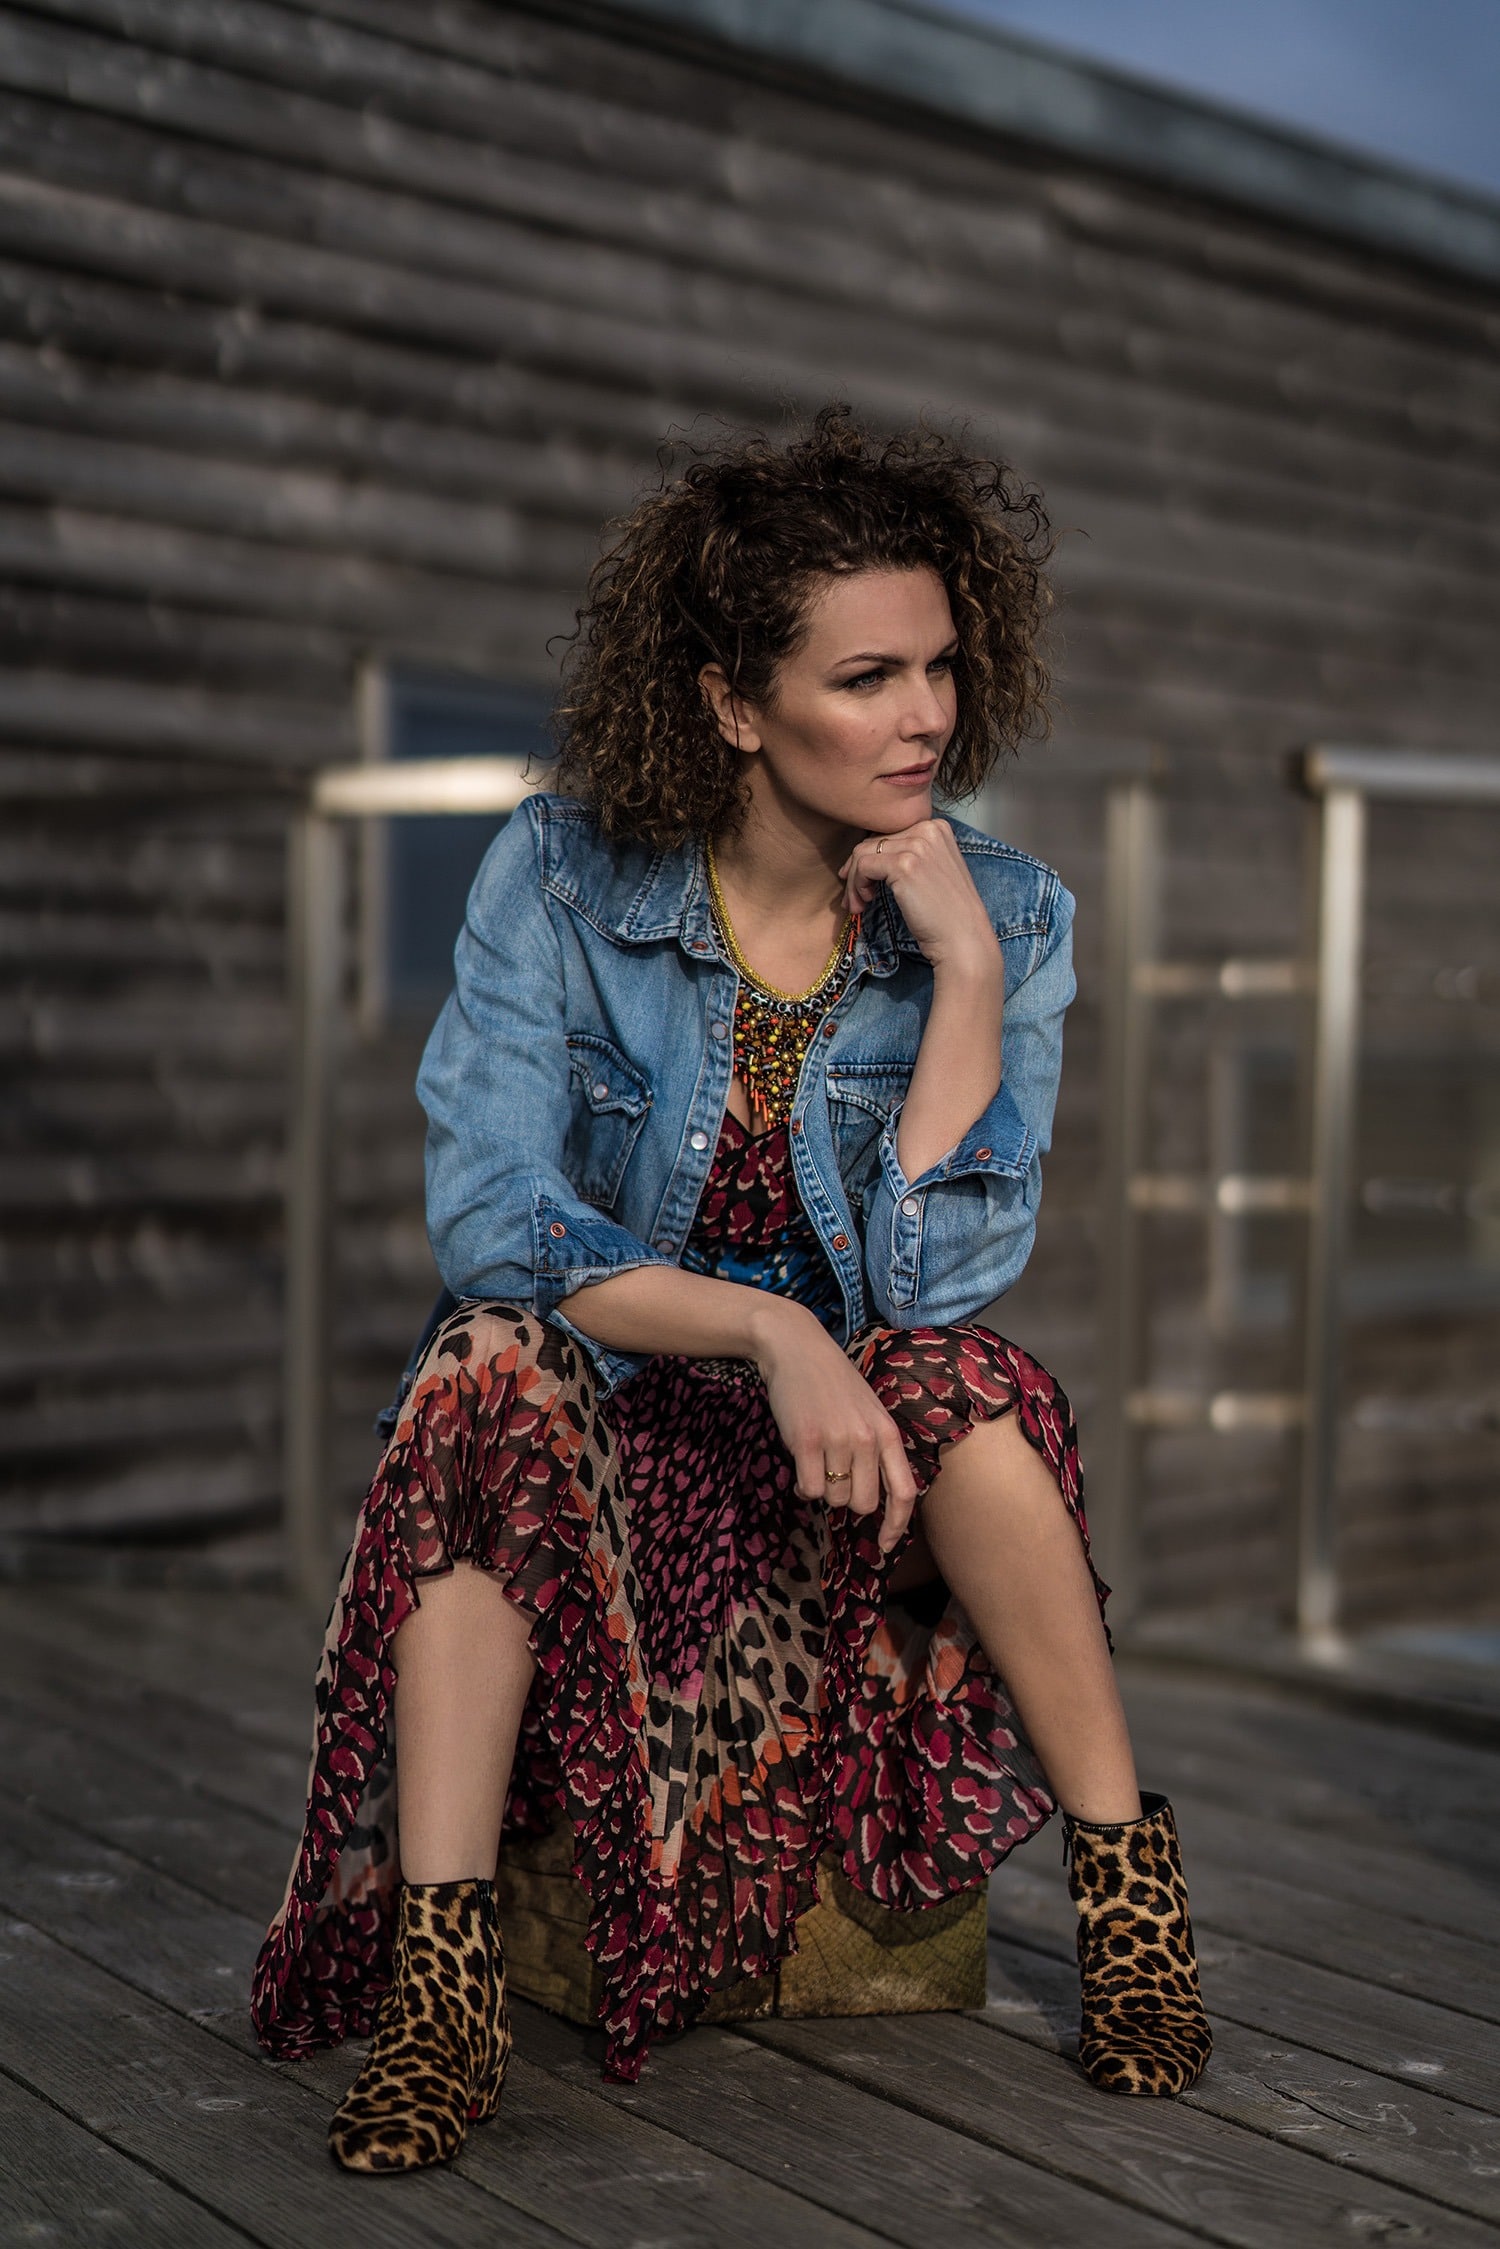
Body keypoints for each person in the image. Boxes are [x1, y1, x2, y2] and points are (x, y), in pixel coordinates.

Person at [251, 405, 1211, 2173]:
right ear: (730, 701)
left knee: (972, 1378)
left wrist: (972, 971)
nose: (925, 713)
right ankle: (441, 1992)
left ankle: (1131, 1904)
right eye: (866, 677)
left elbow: (941, 1279)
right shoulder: (556, 876)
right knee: (485, 1370)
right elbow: (495, 1221)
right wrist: (764, 1325)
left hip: (850, 1473)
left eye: (939, 665)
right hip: (618, 1445)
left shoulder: (1011, 911)